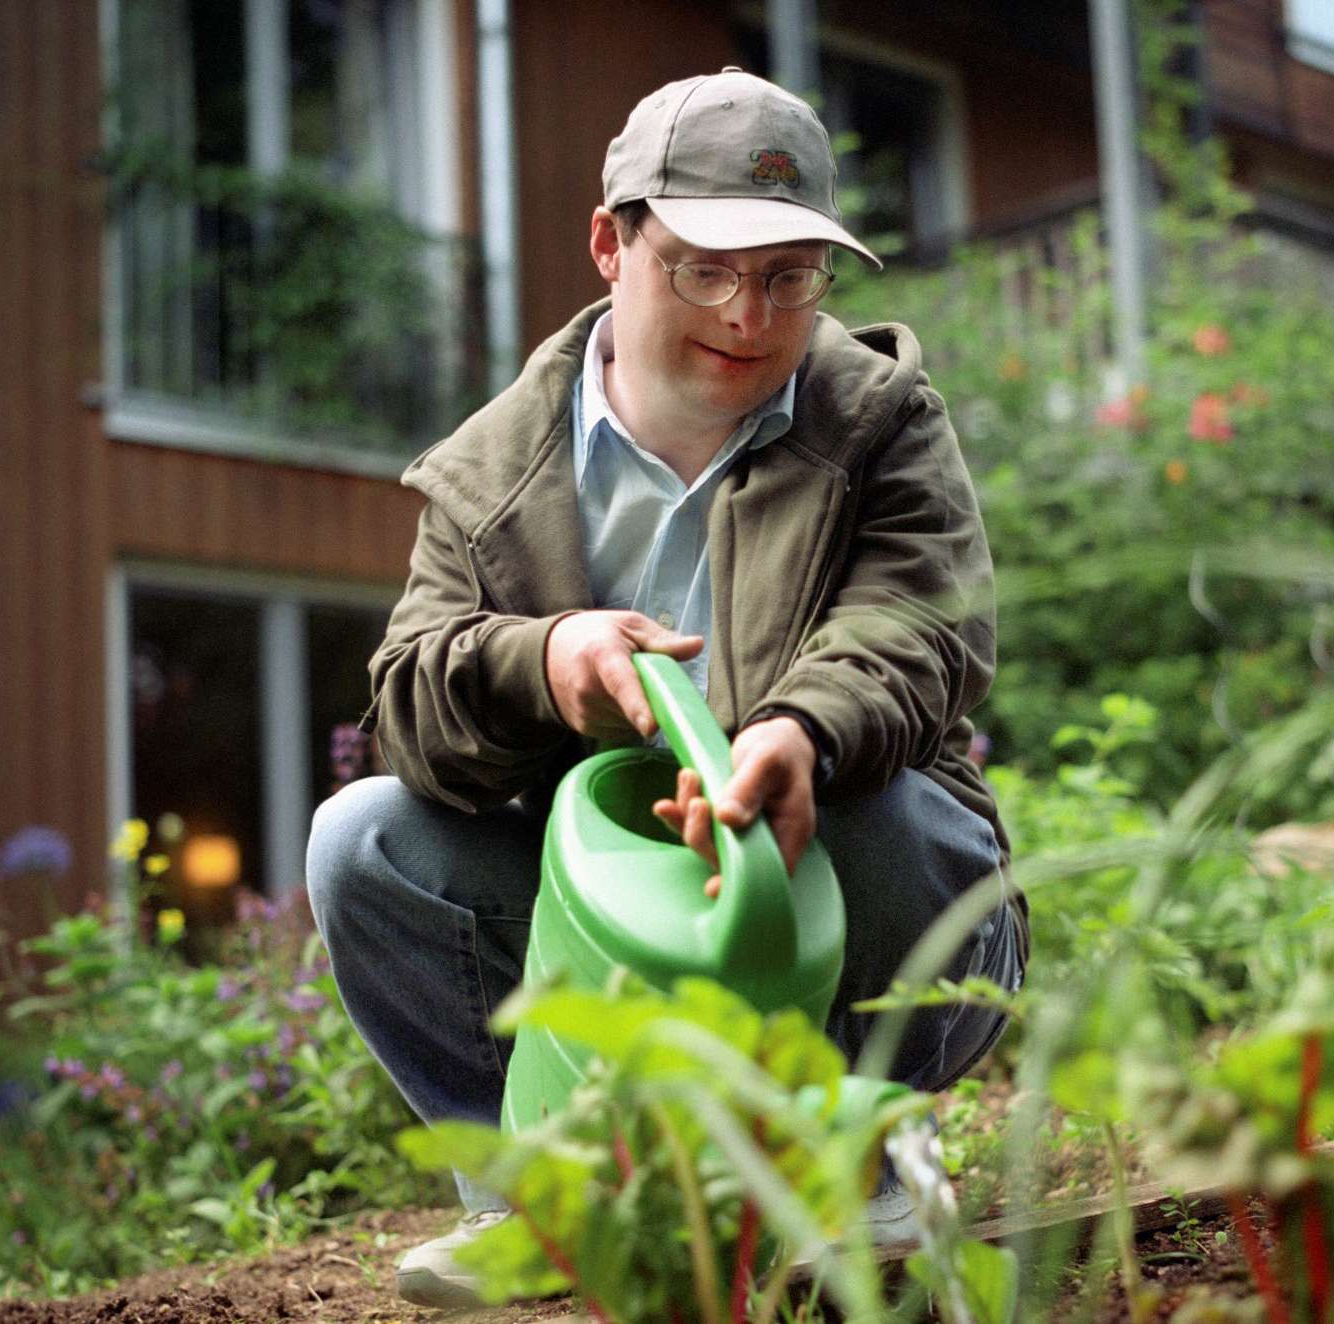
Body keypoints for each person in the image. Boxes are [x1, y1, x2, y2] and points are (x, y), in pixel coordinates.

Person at [305, 67, 1026, 1310]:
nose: (750, 315)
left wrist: (799, 732)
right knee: (359, 838)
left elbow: (921, 627)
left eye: (791, 275)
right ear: (610, 244)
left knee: (874, 787)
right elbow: (409, 707)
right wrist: (543, 662)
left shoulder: (883, 421)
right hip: (617, 932)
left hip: (856, 893)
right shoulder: (489, 475)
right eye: (705, 268)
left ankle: (862, 1157)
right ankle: (547, 1192)